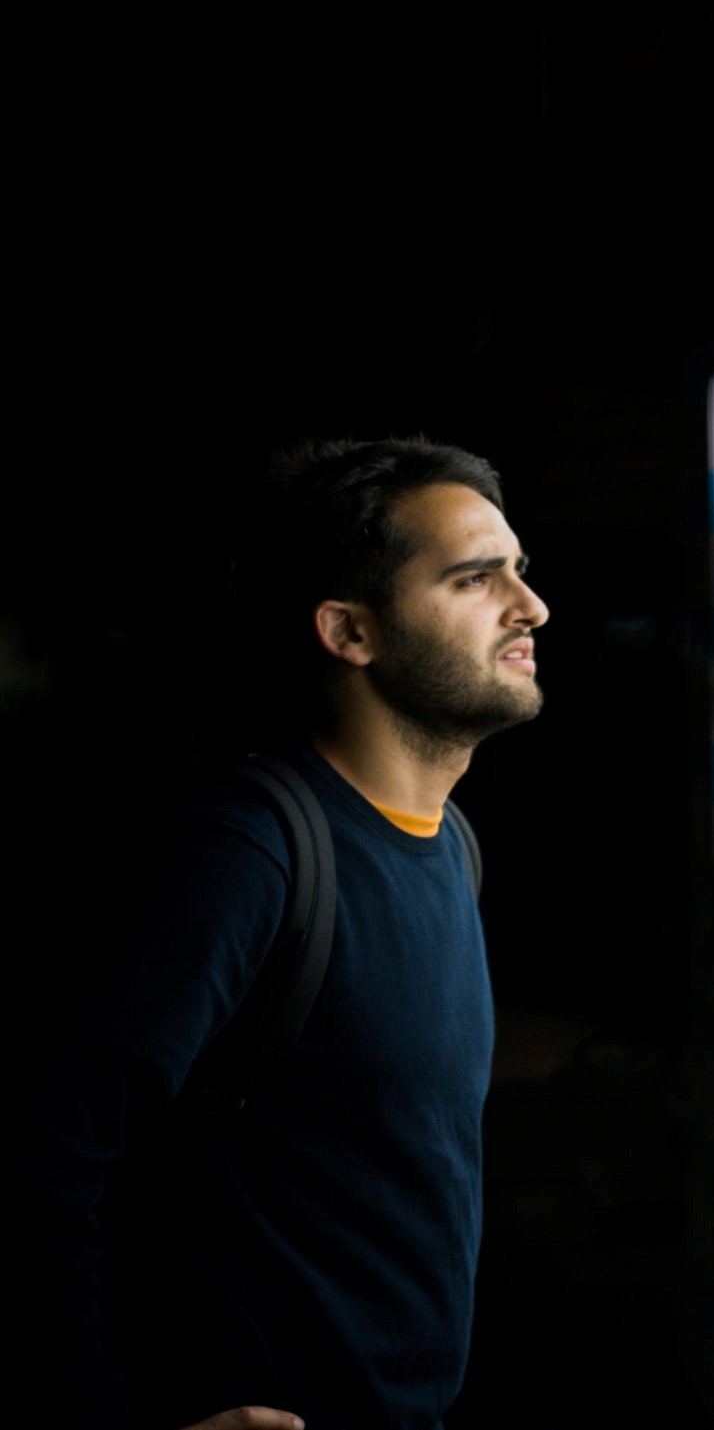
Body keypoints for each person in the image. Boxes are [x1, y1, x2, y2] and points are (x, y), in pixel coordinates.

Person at [35, 437, 549, 1429]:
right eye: (475, 577)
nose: (531, 606)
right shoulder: (250, 852)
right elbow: (51, 1150)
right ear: (350, 630)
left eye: (519, 571)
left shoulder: (450, 843)